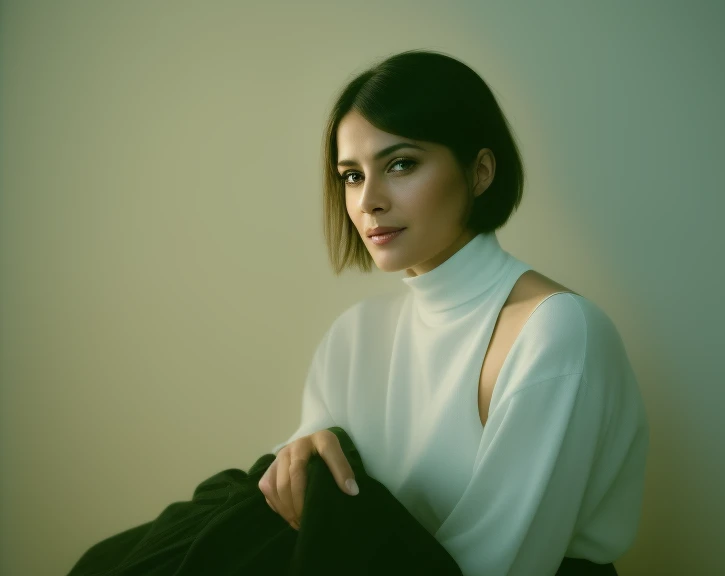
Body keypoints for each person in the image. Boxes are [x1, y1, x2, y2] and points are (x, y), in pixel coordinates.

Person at [259, 49, 649, 576]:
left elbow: (498, 567)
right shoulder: (352, 336)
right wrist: (298, 463)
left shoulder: (556, 332)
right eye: (351, 176)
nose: (368, 200)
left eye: (401, 164)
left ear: (480, 171)